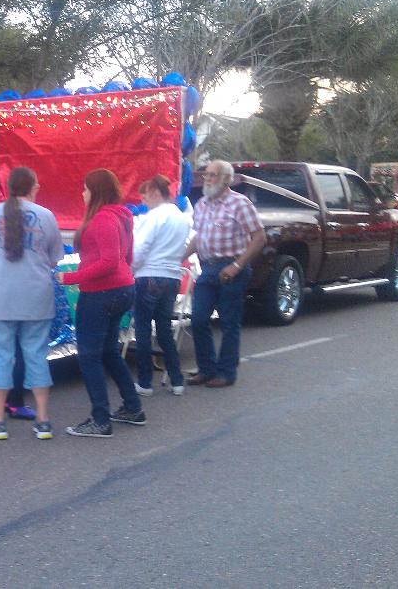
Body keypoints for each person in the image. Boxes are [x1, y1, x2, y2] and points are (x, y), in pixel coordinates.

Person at [0, 167, 64, 440]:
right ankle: (43, 421)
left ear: (9, 188)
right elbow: (54, 259)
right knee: (36, 356)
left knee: (1, 359)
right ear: (33, 187)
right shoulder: (46, 216)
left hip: (0, 297)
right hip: (37, 296)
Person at [57, 169, 145, 438]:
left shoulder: (102, 220)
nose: (82, 194)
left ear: (95, 191)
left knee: (89, 357)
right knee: (108, 352)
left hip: (101, 293)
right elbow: (126, 257)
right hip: (122, 289)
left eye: (85, 188)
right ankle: (132, 407)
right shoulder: (121, 216)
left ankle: (100, 420)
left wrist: (70, 277)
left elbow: (109, 262)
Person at [185, 160, 265, 388]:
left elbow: (259, 238)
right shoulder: (201, 204)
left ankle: (226, 373)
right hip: (208, 267)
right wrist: (180, 255)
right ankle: (206, 369)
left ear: (227, 179)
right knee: (198, 319)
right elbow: (198, 237)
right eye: (206, 174)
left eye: (213, 175)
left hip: (233, 267)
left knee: (229, 322)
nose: (207, 179)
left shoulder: (240, 204)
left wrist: (237, 266)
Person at [131, 174, 192, 397]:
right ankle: (176, 380)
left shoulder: (152, 217)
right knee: (165, 329)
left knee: (144, 330)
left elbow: (140, 249)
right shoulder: (181, 218)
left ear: (155, 193)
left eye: (145, 196)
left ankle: (145, 383)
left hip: (148, 275)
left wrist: (130, 270)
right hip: (172, 276)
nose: (143, 201)